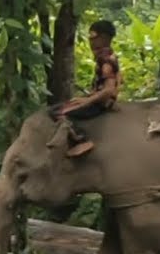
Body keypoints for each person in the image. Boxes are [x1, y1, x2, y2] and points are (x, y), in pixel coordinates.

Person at [51, 19, 122, 157]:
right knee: (64, 106)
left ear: (103, 38)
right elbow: (115, 80)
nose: (90, 41)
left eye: (92, 37)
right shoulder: (108, 56)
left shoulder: (106, 60)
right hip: (100, 101)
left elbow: (108, 90)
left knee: (58, 112)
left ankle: (80, 139)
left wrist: (87, 101)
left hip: (99, 104)